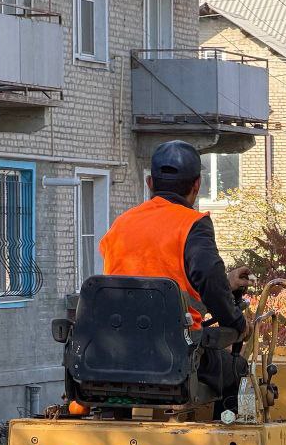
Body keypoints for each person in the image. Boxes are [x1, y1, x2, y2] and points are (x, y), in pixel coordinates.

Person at [100, 139, 254, 342]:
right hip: (174, 350)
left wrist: (226, 282)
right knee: (231, 366)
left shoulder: (121, 223)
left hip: (117, 347)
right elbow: (207, 276)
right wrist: (236, 322)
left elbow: (153, 278)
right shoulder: (193, 224)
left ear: (150, 183)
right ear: (197, 184)